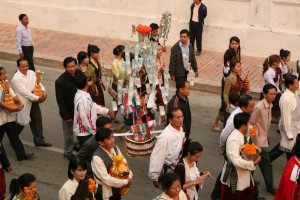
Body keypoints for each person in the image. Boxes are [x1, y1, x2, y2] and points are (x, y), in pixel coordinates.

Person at [211, 95, 255, 200]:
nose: (253, 109)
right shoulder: (235, 120)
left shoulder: (244, 117)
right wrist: (225, 148)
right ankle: (216, 194)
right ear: (244, 107)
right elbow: (224, 135)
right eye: (251, 107)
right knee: (227, 173)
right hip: (232, 150)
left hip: (240, 156)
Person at [11, 58, 51, 147]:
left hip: (34, 100)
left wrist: (43, 90)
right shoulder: (16, 78)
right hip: (24, 102)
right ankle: (13, 138)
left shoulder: (32, 73)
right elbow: (24, 92)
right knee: (21, 123)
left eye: (27, 66)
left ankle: (39, 140)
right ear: (18, 67)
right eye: (23, 66)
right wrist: (37, 97)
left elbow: (38, 83)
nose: (25, 68)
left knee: (37, 120)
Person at [220, 112, 261, 200]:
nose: (251, 124)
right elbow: (236, 161)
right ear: (243, 126)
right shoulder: (234, 139)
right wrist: (252, 163)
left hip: (243, 176)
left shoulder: (243, 135)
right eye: (249, 123)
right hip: (235, 177)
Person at [0, 66, 33, 161]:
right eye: (4, 73)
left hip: (9, 116)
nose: (6, 75)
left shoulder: (5, 84)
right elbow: (1, 103)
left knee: (14, 136)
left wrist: (19, 103)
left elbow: (13, 94)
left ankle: (21, 154)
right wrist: (12, 108)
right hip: (1, 118)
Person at [73, 72, 113, 148]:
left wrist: (106, 111)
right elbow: (85, 119)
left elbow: (93, 106)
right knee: (89, 154)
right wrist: (95, 132)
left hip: (87, 131)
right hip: (85, 133)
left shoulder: (83, 95)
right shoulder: (82, 99)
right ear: (87, 83)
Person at [91, 127, 133, 200]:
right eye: (109, 139)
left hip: (117, 190)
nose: (113, 140)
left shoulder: (115, 148)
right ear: (101, 142)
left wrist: (129, 176)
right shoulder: (97, 158)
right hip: (105, 193)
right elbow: (106, 179)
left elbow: (124, 163)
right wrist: (125, 181)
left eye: (112, 137)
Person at [149, 108, 186, 189]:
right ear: (170, 120)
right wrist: (155, 177)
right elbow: (157, 156)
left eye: (182, 117)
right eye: (178, 118)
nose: (181, 120)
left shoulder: (180, 129)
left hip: (177, 169)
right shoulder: (165, 137)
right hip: (168, 172)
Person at [251, 84, 277, 195]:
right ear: (264, 94)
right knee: (266, 165)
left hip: (263, 139)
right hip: (258, 142)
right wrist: (256, 143)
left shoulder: (269, 105)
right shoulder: (259, 107)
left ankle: (249, 182)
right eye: (271, 94)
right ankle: (270, 187)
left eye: (275, 94)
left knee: (253, 163)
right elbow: (251, 124)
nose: (273, 96)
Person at [55, 57, 83, 160]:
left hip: (80, 110)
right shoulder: (60, 81)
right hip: (68, 112)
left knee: (81, 131)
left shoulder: (79, 74)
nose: (72, 69)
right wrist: (66, 116)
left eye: (73, 66)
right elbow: (60, 101)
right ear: (65, 67)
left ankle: (77, 145)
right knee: (68, 134)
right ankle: (68, 151)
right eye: (69, 67)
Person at [211, 48, 238, 132]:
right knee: (224, 107)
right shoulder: (228, 67)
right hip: (227, 88)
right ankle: (215, 123)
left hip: (227, 87)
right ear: (233, 57)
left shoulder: (227, 63)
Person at [278, 74, 300, 161]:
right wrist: (289, 135)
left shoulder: (295, 93)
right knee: (292, 157)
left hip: (297, 128)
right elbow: (286, 119)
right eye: (296, 83)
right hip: (291, 131)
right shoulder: (286, 99)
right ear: (290, 85)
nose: (298, 85)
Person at [223, 60, 246, 124]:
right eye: (238, 67)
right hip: (231, 102)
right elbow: (225, 93)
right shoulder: (229, 79)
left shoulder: (238, 77)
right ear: (232, 68)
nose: (240, 68)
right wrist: (227, 104)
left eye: (240, 66)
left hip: (238, 102)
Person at [262, 54, 282, 123]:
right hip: (269, 92)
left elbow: (284, 70)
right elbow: (272, 85)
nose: (280, 64)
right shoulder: (268, 73)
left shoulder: (276, 70)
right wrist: (280, 92)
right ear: (274, 63)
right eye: (279, 62)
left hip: (275, 91)